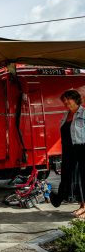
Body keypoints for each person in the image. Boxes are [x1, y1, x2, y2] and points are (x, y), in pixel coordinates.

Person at [50, 89, 85, 218]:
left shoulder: (84, 113)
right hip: (68, 151)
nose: (65, 102)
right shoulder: (67, 115)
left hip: (81, 149)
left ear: (76, 99)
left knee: (82, 177)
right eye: (64, 100)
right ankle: (79, 204)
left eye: (67, 99)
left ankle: (84, 207)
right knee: (70, 177)